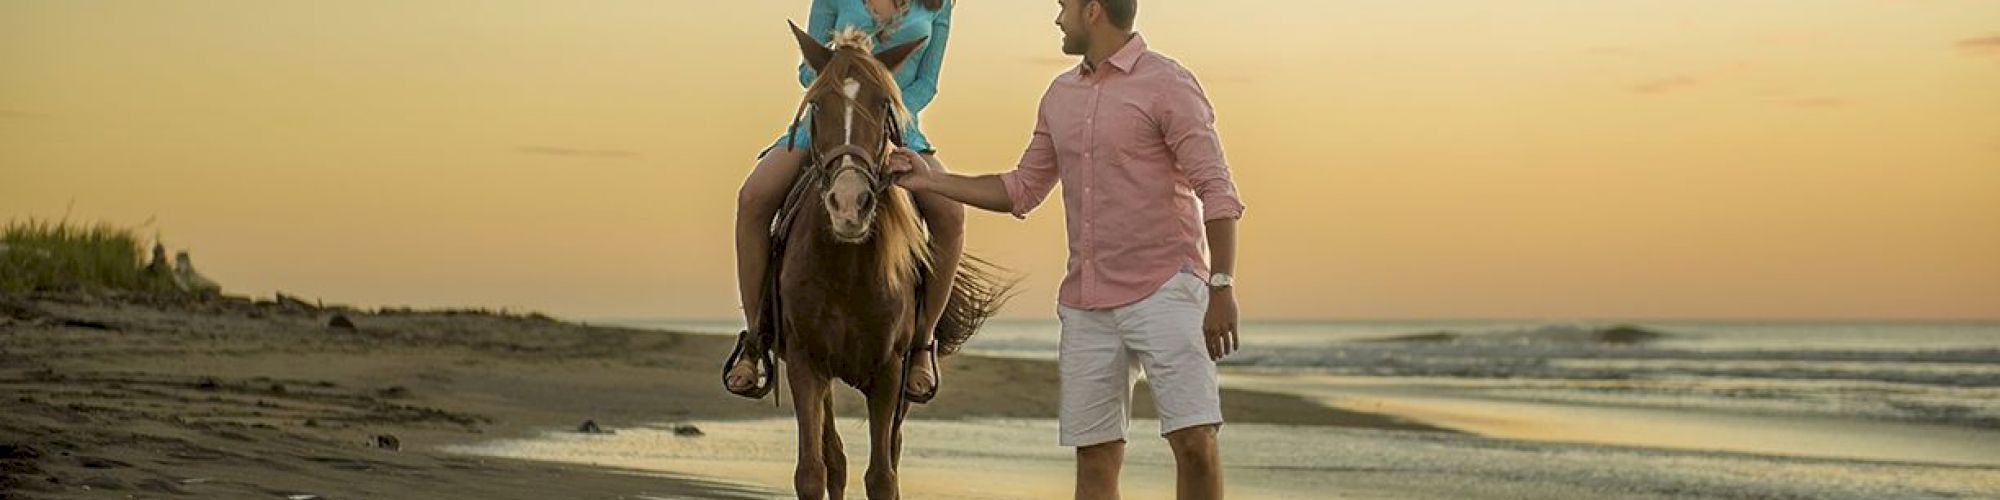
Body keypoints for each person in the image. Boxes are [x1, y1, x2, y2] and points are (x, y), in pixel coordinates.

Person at [886, 0, 1243, 497]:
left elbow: (1217, 189)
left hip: (1167, 289)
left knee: (1193, 439)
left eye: (1063, 7)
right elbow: (1021, 189)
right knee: (1095, 457)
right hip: (1087, 305)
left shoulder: (1168, 84)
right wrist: (930, 181)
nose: (1057, 18)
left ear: (1092, 10)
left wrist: (1221, 285)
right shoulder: (1060, 95)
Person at [724, 0, 964, 404]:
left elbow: (926, 83)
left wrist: (888, 112)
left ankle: (923, 344)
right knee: (753, 198)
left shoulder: (939, 3)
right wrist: (844, 71)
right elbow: (806, 71)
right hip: (830, 125)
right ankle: (755, 339)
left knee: (951, 214)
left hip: (895, 127)